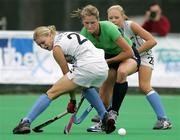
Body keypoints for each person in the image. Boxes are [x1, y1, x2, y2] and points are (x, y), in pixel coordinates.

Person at [12, 25, 117, 134]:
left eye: (43, 42)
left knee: (51, 93)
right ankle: (105, 117)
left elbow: (66, 74)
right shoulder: (65, 35)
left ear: (49, 35)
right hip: (103, 68)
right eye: (39, 45)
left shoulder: (56, 49)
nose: (43, 46)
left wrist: (72, 100)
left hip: (87, 66)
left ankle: (26, 122)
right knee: (86, 87)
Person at [87, 5, 172, 132]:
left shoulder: (130, 25)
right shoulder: (107, 29)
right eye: (111, 18)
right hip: (125, 57)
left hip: (143, 55)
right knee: (108, 81)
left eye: (117, 17)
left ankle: (164, 119)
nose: (113, 20)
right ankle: (105, 118)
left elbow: (152, 41)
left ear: (123, 17)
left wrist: (134, 52)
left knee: (144, 86)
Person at [71, 4, 140, 132]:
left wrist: (107, 61)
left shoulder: (109, 28)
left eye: (93, 22)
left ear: (98, 20)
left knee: (122, 72)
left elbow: (129, 52)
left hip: (127, 55)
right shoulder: (84, 33)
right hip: (107, 59)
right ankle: (105, 121)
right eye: (87, 23)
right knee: (104, 92)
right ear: (83, 22)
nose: (90, 26)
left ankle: (114, 112)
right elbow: (83, 56)